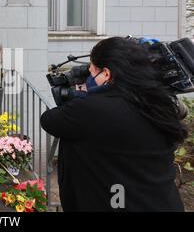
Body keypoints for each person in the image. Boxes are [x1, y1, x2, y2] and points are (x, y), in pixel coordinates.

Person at [40, 37, 187, 212]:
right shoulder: (159, 104)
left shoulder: (92, 109)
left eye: (91, 71)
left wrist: (83, 94)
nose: (89, 76)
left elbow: (49, 120)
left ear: (106, 74)